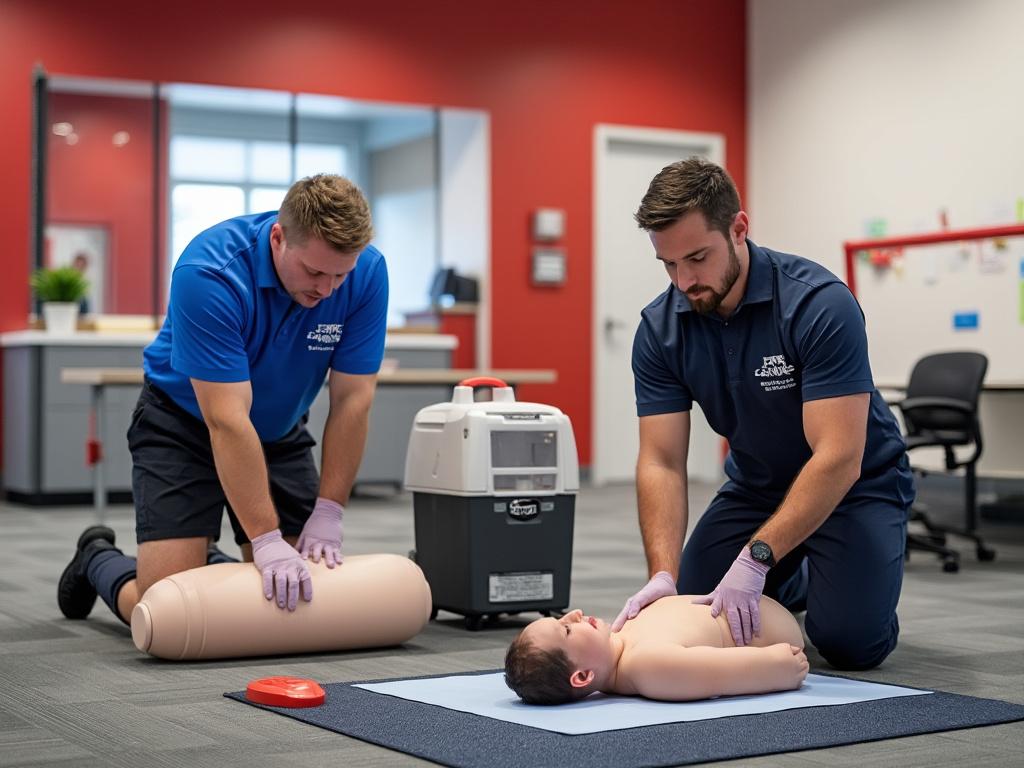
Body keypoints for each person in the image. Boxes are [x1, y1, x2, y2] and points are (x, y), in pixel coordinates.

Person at [611, 157, 914, 671]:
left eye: (698, 258)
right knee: (692, 605)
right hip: (757, 487)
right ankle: (787, 569)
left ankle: (816, 566)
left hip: (856, 485)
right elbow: (661, 460)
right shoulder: (660, 329)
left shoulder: (819, 305)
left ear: (739, 229)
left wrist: (754, 561)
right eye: (668, 264)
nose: (684, 280)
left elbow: (838, 458)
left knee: (849, 643)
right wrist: (662, 573)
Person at [58, 173, 389, 626]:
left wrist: (330, 510)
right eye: (314, 272)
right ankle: (96, 557)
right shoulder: (209, 272)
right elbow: (228, 420)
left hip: (278, 428)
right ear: (278, 238)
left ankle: (205, 560)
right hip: (184, 424)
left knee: (300, 593)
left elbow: (353, 400)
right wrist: (266, 539)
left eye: (340, 275)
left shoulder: (368, 272)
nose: (327, 290)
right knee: (165, 610)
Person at [505, 595, 808, 705]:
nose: (574, 614)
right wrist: (776, 665)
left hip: (747, 598)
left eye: (562, 618)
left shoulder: (619, 640)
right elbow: (720, 673)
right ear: (582, 676)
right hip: (767, 627)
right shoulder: (645, 665)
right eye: (567, 629)